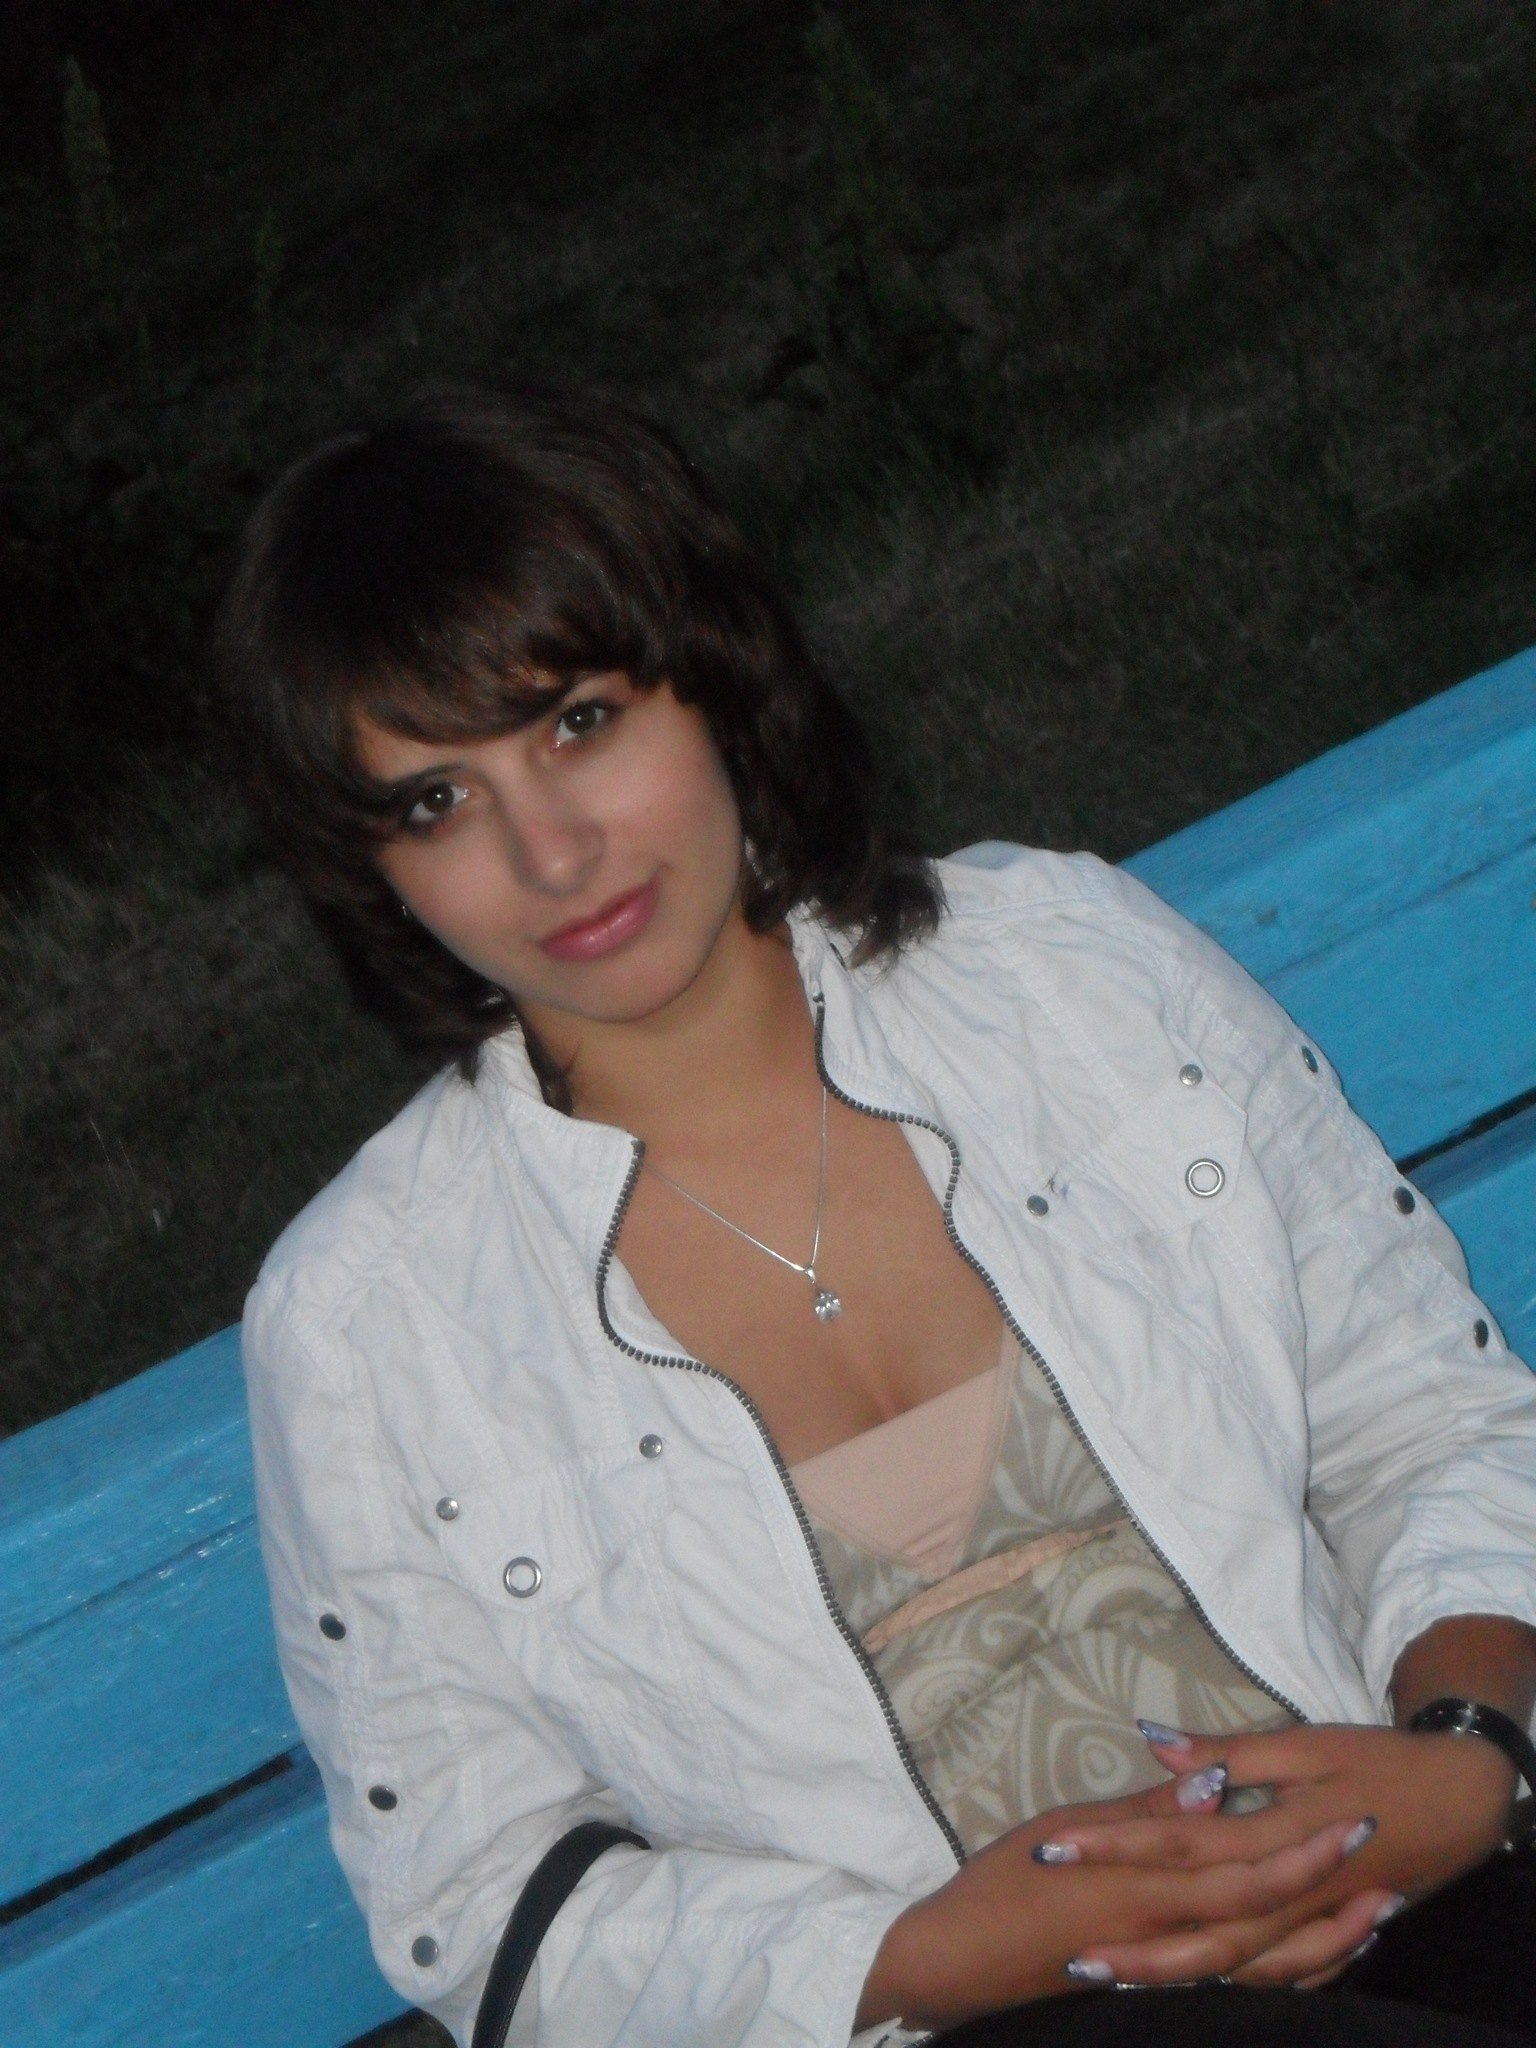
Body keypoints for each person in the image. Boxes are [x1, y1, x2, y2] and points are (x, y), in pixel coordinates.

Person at [219, 386, 1536, 2048]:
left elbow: (1425, 1419)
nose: (549, 853)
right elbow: (489, 1903)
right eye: (434, 802)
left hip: (1408, 1871)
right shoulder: (370, 1326)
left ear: (712, 678)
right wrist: (919, 1956)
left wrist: (1466, 1763)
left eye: (578, 723)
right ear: (372, 872)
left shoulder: (1065, 974)